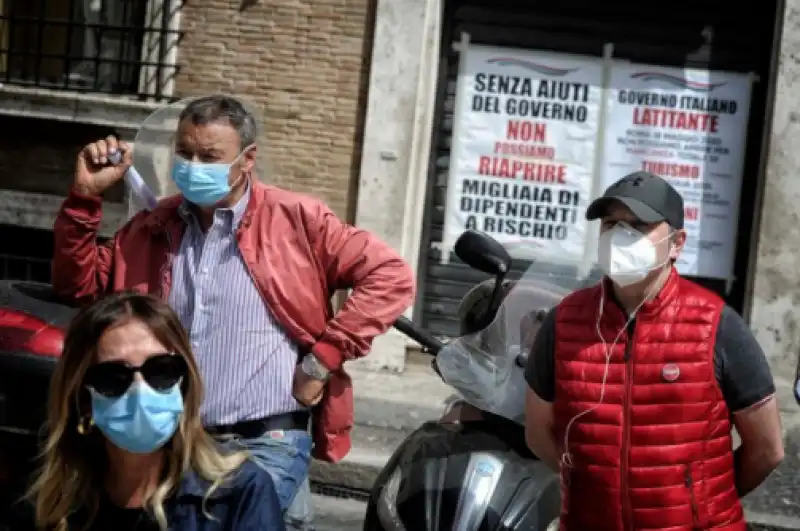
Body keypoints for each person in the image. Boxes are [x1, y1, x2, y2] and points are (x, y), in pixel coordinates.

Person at [51, 94, 416, 530]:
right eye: (184, 153)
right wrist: (85, 198)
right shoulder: (154, 227)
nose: (193, 165)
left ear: (247, 160)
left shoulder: (297, 220)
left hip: (266, 439)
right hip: (176, 438)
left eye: (210, 156)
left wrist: (323, 359)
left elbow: (390, 276)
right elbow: (80, 285)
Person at [524, 171, 785, 531]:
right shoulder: (564, 322)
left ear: (676, 243)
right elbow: (539, 432)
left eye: (638, 226)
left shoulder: (715, 325)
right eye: (611, 224)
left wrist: (702, 502)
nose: (620, 237)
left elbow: (767, 448)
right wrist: (590, 490)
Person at [22, 291, 285, 530]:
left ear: (185, 383)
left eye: (161, 371)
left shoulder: (240, 493)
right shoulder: (56, 506)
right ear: (82, 398)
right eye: (113, 377)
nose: (140, 391)